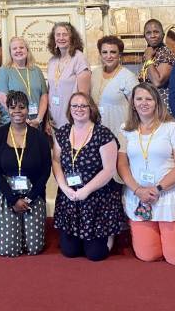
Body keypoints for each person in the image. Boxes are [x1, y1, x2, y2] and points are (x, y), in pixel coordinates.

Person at [117, 83, 175, 266]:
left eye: (148, 99)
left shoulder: (172, 128)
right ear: (133, 103)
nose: (144, 103)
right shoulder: (125, 129)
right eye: (139, 99)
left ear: (157, 102)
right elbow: (122, 164)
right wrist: (137, 190)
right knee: (148, 255)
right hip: (140, 197)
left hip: (169, 195)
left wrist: (158, 188)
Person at [52, 92, 125, 261]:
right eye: (74, 106)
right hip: (70, 197)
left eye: (83, 105)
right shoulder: (62, 133)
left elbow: (108, 170)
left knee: (95, 254)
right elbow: (56, 162)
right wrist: (64, 187)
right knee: (69, 252)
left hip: (97, 199)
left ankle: (108, 236)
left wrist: (86, 190)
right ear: (69, 110)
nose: (79, 109)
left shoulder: (103, 134)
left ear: (91, 108)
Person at [0, 91, 52, 257]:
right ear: (7, 109)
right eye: (13, 107)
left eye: (22, 107)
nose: (17, 111)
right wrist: (13, 199)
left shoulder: (40, 138)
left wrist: (29, 198)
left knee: (34, 248)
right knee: (9, 250)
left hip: (33, 193)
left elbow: (45, 171)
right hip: (6, 193)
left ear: (28, 109)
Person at [46, 22, 91, 130]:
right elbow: (50, 91)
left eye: (65, 34)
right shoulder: (52, 61)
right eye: (58, 35)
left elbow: (84, 96)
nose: (61, 38)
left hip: (72, 121)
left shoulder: (79, 59)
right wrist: (47, 119)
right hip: (54, 121)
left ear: (72, 38)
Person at [90, 35, 138, 137]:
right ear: (100, 54)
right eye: (104, 52)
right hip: (97, 132)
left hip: (120, 132)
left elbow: (137, 107)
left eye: (113, 52)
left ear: (119, 54)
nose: (109, 56)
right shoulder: (95, 73)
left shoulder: (128, 77)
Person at [0, 37, 48, 128]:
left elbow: (44, 96)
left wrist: (39, 119)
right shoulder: (5, 70)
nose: (18, 50)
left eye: (21, 47)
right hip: (14, 122)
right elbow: (3, 99)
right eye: (14, 48)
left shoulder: (36, 70)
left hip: (35, 122)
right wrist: (21, 117)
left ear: (27, 50)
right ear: (10, 52)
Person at [138, 19, 175, 106]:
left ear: (163, 35)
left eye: (156, 32)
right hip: (151, 103)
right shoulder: (150, 51)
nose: (152, 36)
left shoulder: (166, 53)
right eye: (148, 33)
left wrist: (148, 58)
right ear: (145, 36)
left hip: (163, 105)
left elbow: (157, 82)